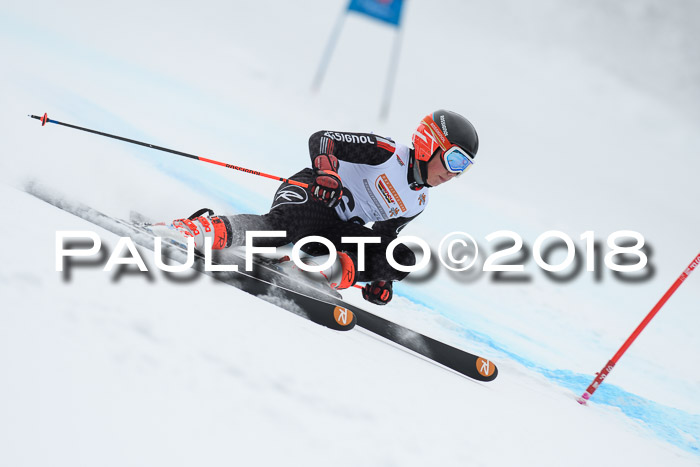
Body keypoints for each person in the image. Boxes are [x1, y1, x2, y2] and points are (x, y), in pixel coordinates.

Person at [154, 110, 479, 305]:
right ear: (428, 144)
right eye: (454, 159)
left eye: (463, 168)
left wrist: (382, 277)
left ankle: (313, 273)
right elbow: (323, 139)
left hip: (334, 232)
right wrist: (327, 172)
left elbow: (382, 237)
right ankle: (198, 230)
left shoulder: (418, 201)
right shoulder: (387, 153)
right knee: (279, 229)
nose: (454, 173)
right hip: (315, 194)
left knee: (403, 256)